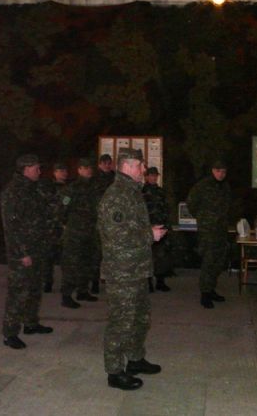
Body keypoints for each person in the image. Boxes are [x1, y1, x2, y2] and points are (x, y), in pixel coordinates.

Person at [98, 147, 167, 390]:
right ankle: (114, 372)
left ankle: (135, 359)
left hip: (136, 268)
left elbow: (131, 228)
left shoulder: (132, 191)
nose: (143, 169)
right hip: (122, 271)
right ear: (127, 166)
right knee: (121, 322)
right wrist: (150, 235)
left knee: (140, 318)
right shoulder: (117, 195)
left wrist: (148, 232)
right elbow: (117, 235)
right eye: (140, 165)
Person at [0, 154, 53, 349]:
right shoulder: (13, 192)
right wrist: (22, 253)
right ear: (26, 169)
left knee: (34, 289)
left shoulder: (33, 188)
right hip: (22, 252)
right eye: (36, 168)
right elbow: (11, 227)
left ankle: (31, 323)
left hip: (37, 248)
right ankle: (10, 333)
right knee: (18, 292)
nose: (40, 171)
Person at [186, 160, 232, 309]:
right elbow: (191, 203)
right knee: (209, 260)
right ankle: (205, 293)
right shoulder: (202, 185)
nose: (221, 174)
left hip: (221, 229)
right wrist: (203, 218)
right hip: (208, 230)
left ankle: (211, 289)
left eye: (224, 171)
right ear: (213, 170)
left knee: (219, 261)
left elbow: (228, 205)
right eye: (218, 171)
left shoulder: (225, 186)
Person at [59, 157, 100, 308]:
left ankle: (83, 291)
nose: (89, 170)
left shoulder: (94, 187)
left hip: (90, 231)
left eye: (90, 167)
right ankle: (66, 295)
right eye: (85, 167)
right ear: (79, 170)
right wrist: (66, 224)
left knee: (87, 262)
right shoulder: (71, 188)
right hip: (75, 232)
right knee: (72, 263)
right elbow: (62, 208)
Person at [38, 162, 69, 293]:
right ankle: (47, 282)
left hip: (64, 226)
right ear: (55, 172)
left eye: (65, 171)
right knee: (48, 257)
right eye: (61, 171)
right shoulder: (47, 187)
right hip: (50, 226)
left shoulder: (69, 188)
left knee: (66, 257)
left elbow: (68, 204)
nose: (64, 173)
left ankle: (66, 284)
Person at [142, 166, 173, 292]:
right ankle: (148, 282)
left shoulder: (161, 192)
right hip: (148, 228)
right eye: (151, 175)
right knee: (147, 256)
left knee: (162, 256)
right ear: (146, 177)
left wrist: (167, 225)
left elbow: (166, 209)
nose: (154, 177)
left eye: (155, 175)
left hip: (161, 227)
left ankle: (160, 281)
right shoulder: (142, 192)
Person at [90, 153, 116, 295]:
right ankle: (94, 282)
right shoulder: (94, 179)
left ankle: (111, 281)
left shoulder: (115, 178)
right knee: (97, 253)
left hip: (114, 220)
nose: (106, 165)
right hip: (99, 220)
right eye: (104, 163)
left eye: (108, 163)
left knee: (112, 253)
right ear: (99, 164)